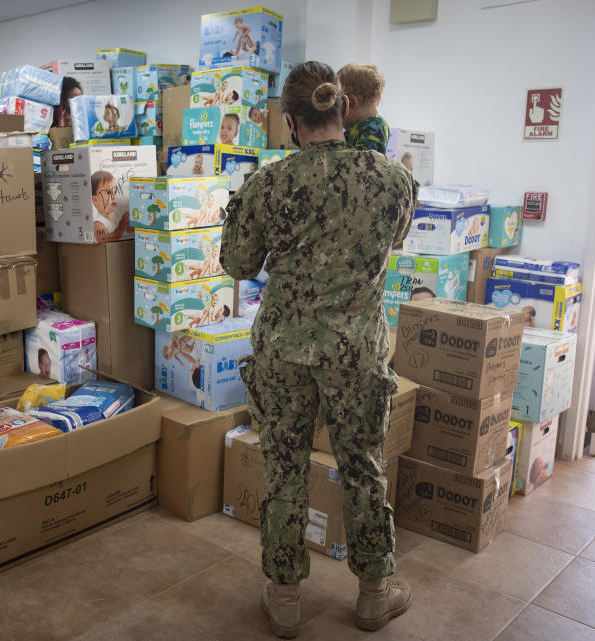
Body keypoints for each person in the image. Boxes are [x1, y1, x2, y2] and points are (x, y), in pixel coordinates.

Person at [220, 61, 417, 638]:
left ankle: (284, 599)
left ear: (289, 121)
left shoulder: (268, 183)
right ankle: (375, 594)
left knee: (285, 466)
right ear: (345, 110)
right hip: (356, 350)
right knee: (362, 466)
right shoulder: (393, 180)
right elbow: (393, 241)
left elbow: (237, 264)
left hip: (284, 348)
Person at [338, 63, 389, 153]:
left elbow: (364, 160)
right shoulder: (354, 127)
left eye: (338, 104)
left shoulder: (376, 124)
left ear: (352, 102)